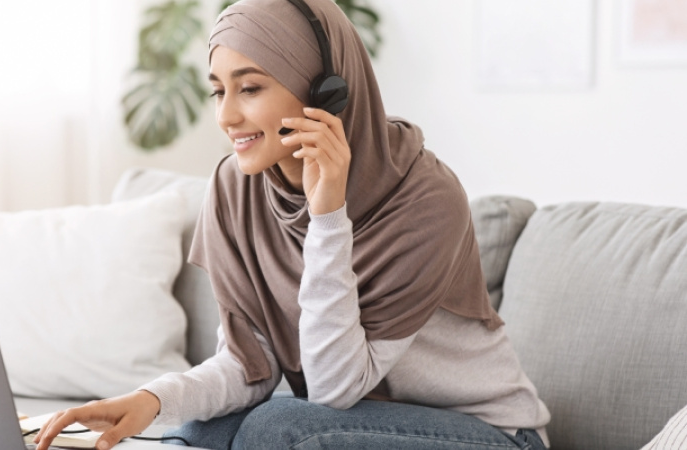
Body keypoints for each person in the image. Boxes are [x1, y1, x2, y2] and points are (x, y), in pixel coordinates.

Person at [34, 0, 551, 449]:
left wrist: (328, 215)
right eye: (219, 91)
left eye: (251, 88)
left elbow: (332, 391)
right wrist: (151, 400)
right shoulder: (236, 187)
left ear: (326, 93)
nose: (227, 117)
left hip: (486, 434)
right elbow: (247, 366)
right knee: (195, 427)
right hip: (354, 425)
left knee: (282, 427)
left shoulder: (424, 197)